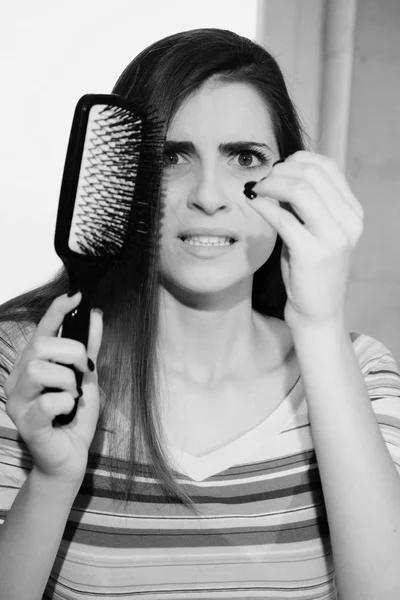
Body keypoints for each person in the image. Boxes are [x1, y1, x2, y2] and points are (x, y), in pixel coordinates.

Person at [0, 28, 399, 600]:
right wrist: (51, 479)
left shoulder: (356, 371)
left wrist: (319, 327)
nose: (209, 195)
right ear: (125, 177)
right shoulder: (30, 364)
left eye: (244, 158)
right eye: (171, 157)